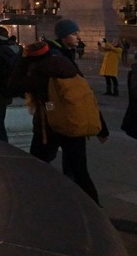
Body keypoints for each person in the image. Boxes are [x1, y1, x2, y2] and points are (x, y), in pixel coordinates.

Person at [9, 19, 109, 205]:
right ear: (63, 37)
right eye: (74, 33)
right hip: (73, 121)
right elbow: (85, 96)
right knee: (79, 171)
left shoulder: (40, 69)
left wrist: (23, 60)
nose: (78, 36)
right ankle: (96, 211)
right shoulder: (66, 62)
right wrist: (102, 127)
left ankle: (36, 204)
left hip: (49, 124)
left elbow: (13, 86)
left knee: (36, 165)